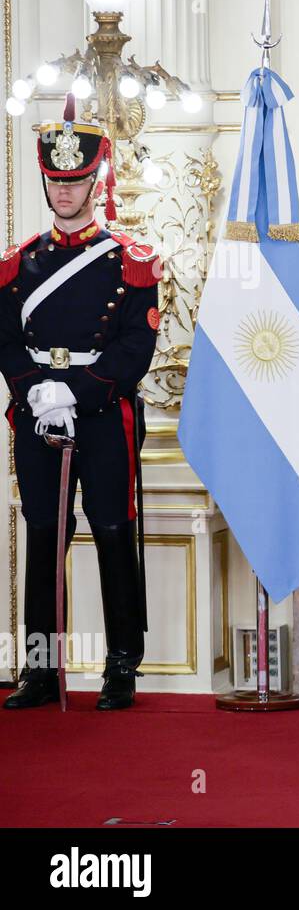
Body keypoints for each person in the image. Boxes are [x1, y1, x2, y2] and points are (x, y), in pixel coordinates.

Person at [1, 94, 161, 710]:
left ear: (97, 181)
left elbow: (134, 347)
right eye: (56, 182)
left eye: (76, 181)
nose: (65, 192)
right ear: (46, 182)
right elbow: (6, 340)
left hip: (103, 418)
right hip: (37, 414)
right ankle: (41, 670)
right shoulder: (18, 265)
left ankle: (121, 665)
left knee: (115, 531)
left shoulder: (130, 262)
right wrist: (34, 390)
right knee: (45, 534)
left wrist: (76, 392)